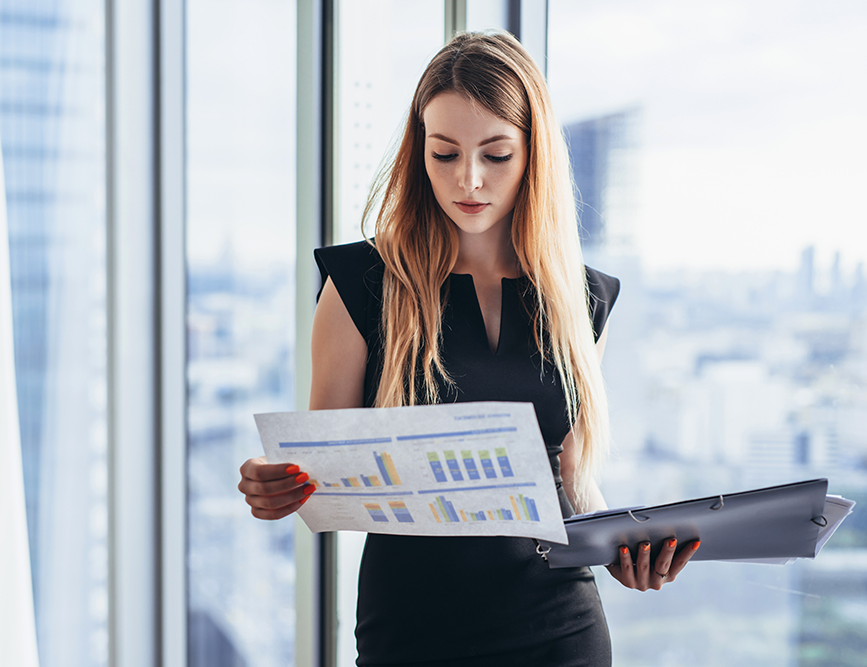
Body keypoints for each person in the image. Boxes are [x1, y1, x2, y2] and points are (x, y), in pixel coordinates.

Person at [238, 30, 699, 666]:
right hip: (412, 628)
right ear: (417, 153)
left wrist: (624, 553)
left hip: (559, 630)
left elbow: (570, 484)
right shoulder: (362, 287)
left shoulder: (583, 299)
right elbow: (324, 469)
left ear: (533, 157)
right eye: (445, 153)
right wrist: (277, 483)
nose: (470, 180)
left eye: (496, 155)